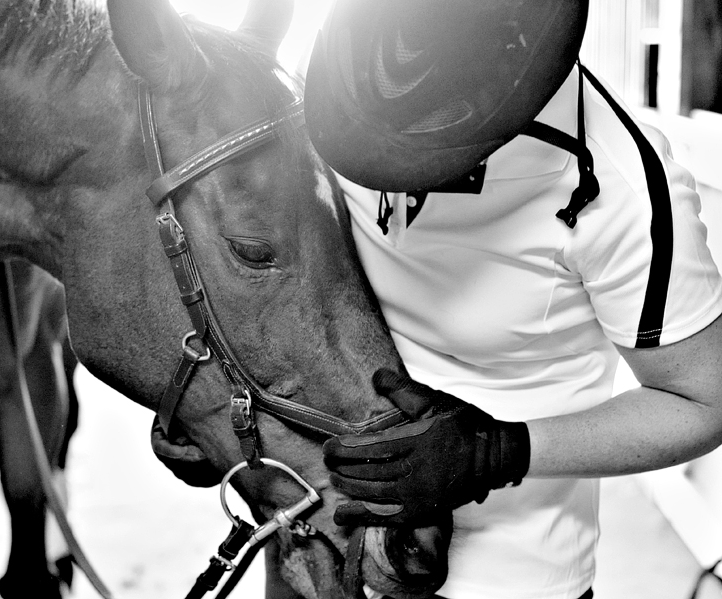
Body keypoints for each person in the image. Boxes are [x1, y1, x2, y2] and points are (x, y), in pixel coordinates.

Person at [302, 1, 722, 598]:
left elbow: (703, 401)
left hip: (511, 580)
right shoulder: (349, 100)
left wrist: (495, 452)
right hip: (331, 550)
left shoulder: (622, 186)